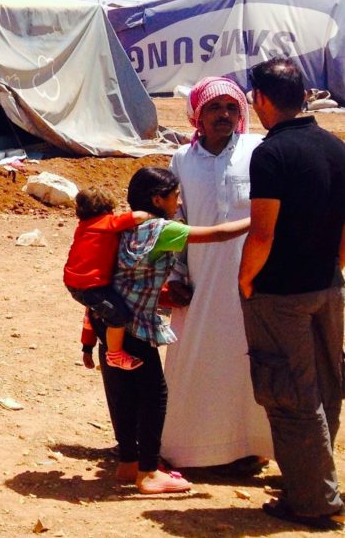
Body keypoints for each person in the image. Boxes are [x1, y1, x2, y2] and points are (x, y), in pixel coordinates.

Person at [237, 58, 345, 528]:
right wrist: (335, 267)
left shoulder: (271, 154)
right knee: (326, 387)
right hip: (327, 287)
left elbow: (262, 233)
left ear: (261, 99)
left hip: (280, 294)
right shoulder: (336, 147)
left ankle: (313, 500)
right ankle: (313, 482)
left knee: (289, 394)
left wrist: (245, 279)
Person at [101, 166, 248, 495]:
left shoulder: (123, 223)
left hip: (108, 320)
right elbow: (219, 234)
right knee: (154, 395)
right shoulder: (162, 229)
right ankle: (149, 472)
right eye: (175, 196)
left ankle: (128, 462)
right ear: (158, 199)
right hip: (136, 324)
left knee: (122, 393)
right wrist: (258, 219)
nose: (179, 202)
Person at [161, 77, 273, 470]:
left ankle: (250, 447)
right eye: (214, 107)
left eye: (231, 107)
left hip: (252, 277)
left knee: (248, 362)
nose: (224, 114)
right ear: (198, 114)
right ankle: (194, 450)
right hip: (201, 278)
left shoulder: (257, 150)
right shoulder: (182, 159)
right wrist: (174, 277)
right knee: (199, 361)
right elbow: (176, 219)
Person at [63, 188, 146, 370]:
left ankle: (91, 345)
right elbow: (139, 216)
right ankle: (114, 355)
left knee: (96, 308)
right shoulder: (107, 222)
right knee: (118, 315)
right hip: (89, 285)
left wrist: (87, 347)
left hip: (76, 282)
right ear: (108, 208)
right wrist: (156, 215)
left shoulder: (83, 227)